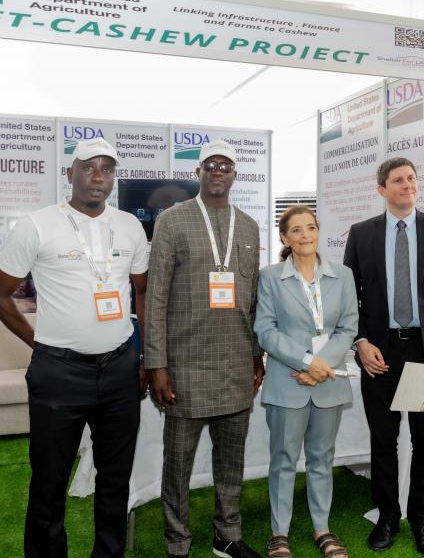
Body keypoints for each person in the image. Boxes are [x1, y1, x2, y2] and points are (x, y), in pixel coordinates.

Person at [0, 137, 149, 558]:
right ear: (69, 173)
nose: (98, 176)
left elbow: (143, 292)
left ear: (114, 178)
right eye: (88, 167)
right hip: (59, 372)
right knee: (49, 480)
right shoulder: (37, 225)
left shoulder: (130, 226)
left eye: (107, 169)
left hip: (119, 369)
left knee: (115, 478)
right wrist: (37, 343)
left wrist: (144, 355)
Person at [343, 157, 424, 557]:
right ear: (381, 189)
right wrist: (360, 341)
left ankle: (421, 519)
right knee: (383, 440)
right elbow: (348, 298)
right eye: (398, 180)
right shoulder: (361, 234)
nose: (408, 184)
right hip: (378, 353)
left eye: (412, 178)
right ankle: (386, 516)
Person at [145, 139, 264, 558]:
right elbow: (156, 296)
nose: (217, 171)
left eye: (225, 165)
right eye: (210, 164)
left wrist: (256, 354)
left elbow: (253, 298)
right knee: (177, 463)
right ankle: (177, 542)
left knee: (232, 460)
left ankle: (227, 535)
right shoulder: (172, 221)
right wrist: (156, 363)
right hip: (185, 366)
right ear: (197, 172)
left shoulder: (248, 226)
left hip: (236, 363)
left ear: (235, 175)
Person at [253, 206, 358, 558]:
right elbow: (265, 330)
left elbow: (348, 327)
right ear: (284, 237)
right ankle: (279, 533)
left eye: (310, 227)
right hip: (288, 380)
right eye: (296, 230)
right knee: (283, 458)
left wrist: (320, 366)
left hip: (327, 381)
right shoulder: (270, 277)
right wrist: (306, 362)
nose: (305, 235)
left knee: (321, 458)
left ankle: (322, 529)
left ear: (318, 231)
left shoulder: (342, 275)